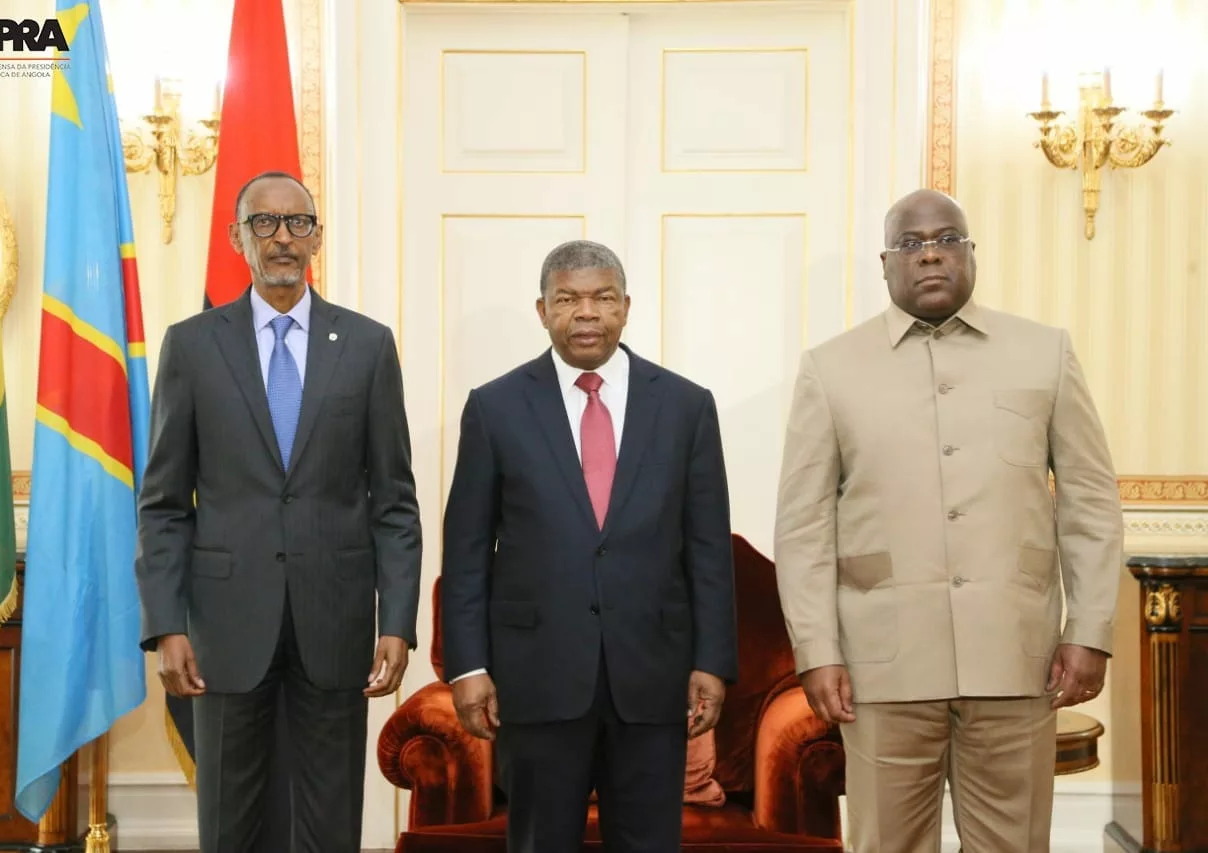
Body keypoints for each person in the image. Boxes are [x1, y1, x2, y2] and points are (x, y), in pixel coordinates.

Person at [773, 188, 1123, 852]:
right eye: (911, 243)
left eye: (947, 239)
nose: (930, 253)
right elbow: (804, 525)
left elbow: (1089, 500)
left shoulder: (1043, 352)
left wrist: (1090, 630)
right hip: (881, 666)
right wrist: (817, 651)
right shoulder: (831, 368)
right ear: (885, 264)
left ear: (970, 254)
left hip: (1018, 659)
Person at [134, 171, 422, 852]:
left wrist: (398, 620)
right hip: (226, 627)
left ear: (317, 236)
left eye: (296, 223)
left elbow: (395, 502)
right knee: (232, 824)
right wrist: (165, 623)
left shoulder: (367, 344)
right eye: (264, 223)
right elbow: (165, 504)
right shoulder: (193, 345)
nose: (282, 237)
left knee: (330, 825)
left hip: (337, 619)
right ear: (239, 239)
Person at [440, 240, 738, 853]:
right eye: (568, 299)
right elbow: (466, 550)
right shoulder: (495, 407)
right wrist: (469, 667)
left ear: (625, 307)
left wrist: (712, 661)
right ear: (543, 309)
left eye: (602, 298)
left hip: (652, 677)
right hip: (537, 676)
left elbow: (708, 548)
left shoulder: (686, 407)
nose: (586, 313)